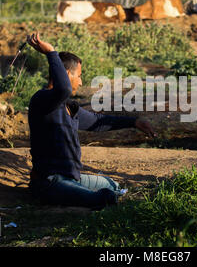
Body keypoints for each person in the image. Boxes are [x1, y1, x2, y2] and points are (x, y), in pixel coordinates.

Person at [26, 32, 156, 210]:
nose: (80, 82)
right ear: (66, 74)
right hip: (50, 183)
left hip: (72, 178)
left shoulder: (68, 107)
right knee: (102, 199)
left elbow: (98, 121)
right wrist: (51, 53)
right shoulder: (42, 101)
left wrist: (134, 122)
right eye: (78, 75)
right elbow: (62, 88)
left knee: (112, 185)